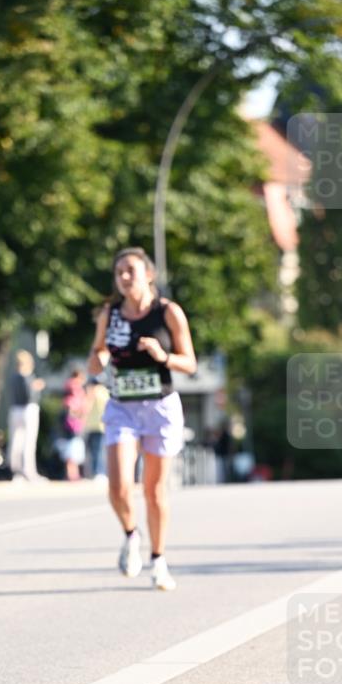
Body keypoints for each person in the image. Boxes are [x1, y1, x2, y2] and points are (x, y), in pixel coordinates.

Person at [87, 247, 197, 590]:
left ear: (148, 274)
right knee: (118, 485)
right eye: (118, 272)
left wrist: (163, 356)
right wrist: (98, 358)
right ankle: (131, 535)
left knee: (153, 491)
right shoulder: (112, 313)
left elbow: (190, 363)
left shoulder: (168, 312)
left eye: (130, 270)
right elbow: (97, 353)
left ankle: (159, 560)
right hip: (122, 406)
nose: (123, 277)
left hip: (160, 408)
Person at [7, 349, 45, 481]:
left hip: (15, 410)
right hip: (28, 409)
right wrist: (36, 387)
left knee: (16, 441)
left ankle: (15, 471)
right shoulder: (27, 377)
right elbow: (29, 395)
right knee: (29, 442)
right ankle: (28, 470)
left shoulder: (13, 377)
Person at [60, 369, 87, 481]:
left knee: (71, 447)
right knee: (73, 447)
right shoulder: (75, 389)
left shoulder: (67, 390)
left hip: (69, 423)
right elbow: (77, 407)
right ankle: (72, 473)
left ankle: (72, 472)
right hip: (73, 423)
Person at [84, 377, 109, 480]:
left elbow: (87, 406)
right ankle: (96, 472)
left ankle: (98, 472)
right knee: (97, 451)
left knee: (97, 451)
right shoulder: (105, 392)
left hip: (97, 426)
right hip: (99, 426)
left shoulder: (96, 392)